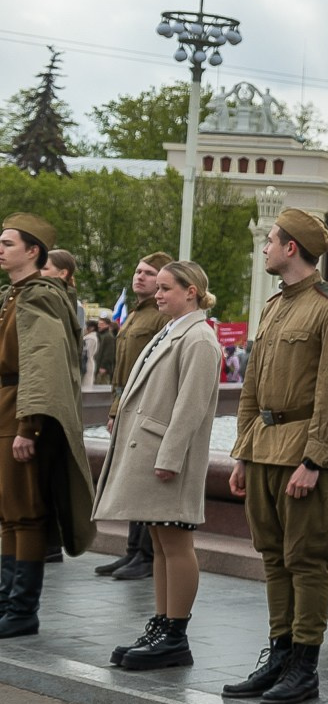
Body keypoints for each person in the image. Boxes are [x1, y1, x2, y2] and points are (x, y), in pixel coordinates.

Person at [221, 209, 328, 704]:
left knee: (307, 561)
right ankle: (279, 655)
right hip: (264, 447)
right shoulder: (275, 305)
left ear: (291, 248)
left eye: (271, 240)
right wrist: (242, 452)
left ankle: (304, 666)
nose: (265, 247)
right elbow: (252, 387)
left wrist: (314, 460)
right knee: (274, 557)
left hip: (304, 453)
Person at [94, 262, 223, 670]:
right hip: (152, 452)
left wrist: (169, 457)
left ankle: (174, 634)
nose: (159, 294)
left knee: (176, 542)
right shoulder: (173, 330)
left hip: (169, 458)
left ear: (191, 291)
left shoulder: (199, 338)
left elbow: (191, 406)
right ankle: (162, 624)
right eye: (159, 288)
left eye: (167, 288)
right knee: (161, 542)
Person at [0, 216, 95, 639]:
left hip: (20, 413)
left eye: (8, 243)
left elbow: (43, 364)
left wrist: (28, 426)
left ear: (32, 251)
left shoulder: (39, 296)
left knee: (25, 514)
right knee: (8, 513)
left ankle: (22, 609)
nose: (0, 249)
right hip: (7, 408)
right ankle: (6, 601)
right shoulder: (15, 295)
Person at [99, 253, 173, 582]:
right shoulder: (133, 314)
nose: (139, 276)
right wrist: (115, 409)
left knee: (143, 480)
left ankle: (146, 554)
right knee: (132, 477)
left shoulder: (160, 317)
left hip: (146, 407)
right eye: (138, 270)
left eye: (148, 273)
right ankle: (133, 550)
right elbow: (121, 370)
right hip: (126, 403)